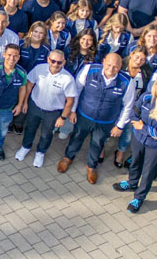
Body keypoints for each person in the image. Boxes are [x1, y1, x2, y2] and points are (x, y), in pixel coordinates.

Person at [58, 52, 136, 184]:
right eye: (109, 65)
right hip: (84, 115)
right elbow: (76, 90)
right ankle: (68, 157)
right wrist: (72, 110)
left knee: (98, 143)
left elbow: (128, 106)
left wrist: (120, 126)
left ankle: (91, 166)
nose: (111, 69)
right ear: (103, 61)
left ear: (120, 66)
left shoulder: (127, 82)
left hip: (106, 121)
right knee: (77, 137)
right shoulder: (89, 70)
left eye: (115, 67)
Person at [113, 76, 157, 213]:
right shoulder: (146, 98)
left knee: (148, 172)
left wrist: (142, 128)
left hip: (156, 147)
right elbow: (133, 114)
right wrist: (144, 129)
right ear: (155, 87)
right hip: (139, 140)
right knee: (135, 163)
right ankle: (132, 183)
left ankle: (139, 197)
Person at [13, 50, 80, 168]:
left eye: (59, 62)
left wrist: (63, 117)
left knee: (46, 134)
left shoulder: (68, 79)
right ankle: (25, 146)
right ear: (48, 59)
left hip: (53, 112)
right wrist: (25, 103)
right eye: (53, 61)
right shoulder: (39, 68)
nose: (55, 64)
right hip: (35, 106)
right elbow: (29, 85)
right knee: (30, 128)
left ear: (63, 62)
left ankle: (40, 152)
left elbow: (70, 101)